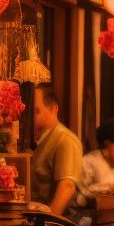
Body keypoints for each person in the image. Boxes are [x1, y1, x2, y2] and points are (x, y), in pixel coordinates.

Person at [30, 83, 82, 215]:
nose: (32, 117)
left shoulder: (65, 140)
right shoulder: (36, 139)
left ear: (54, 109)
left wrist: (49, 223)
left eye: (36, 111)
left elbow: (67, 186)